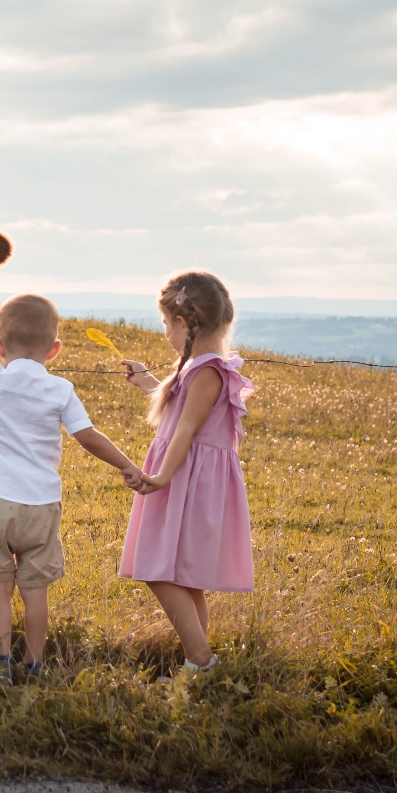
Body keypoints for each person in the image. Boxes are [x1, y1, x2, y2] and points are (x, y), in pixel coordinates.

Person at [0, 295, 146, 683]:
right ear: (55, 350)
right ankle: (35, 663)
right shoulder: (60, 390)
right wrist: (127, 465)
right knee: (35, 590)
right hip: (41, 506)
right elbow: (88, 437)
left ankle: (1, 661)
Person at [116, 270, 255, 677]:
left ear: (182, 323)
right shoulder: (201, 368)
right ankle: (197, 660)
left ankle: (201, 660)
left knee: (154, 568)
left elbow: (188, 429)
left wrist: (159, 477)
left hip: (185, 479)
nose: (165, 334)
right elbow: (183, 411)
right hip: (187, 475)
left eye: (165, 324)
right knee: (182, 574)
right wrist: (148, 382)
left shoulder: (208, 371)